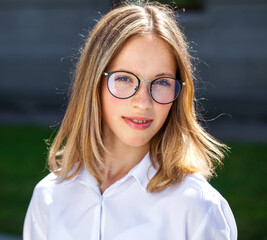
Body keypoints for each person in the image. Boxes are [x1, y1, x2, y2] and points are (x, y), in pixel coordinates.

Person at [23, 2, 237, 240]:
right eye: (124, 78)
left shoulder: (197, 208)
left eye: (162, 82)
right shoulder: (49, 197)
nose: (143, 102)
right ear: (94, 84)